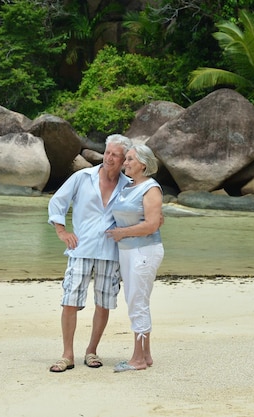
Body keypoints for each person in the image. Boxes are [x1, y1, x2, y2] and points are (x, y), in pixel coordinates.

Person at [47, 134, 132, 373]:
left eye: (115, 155)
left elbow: (140, 214)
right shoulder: (82, 177)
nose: (109, 158)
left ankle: (92, 350)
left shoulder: (129, 185)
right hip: (80, 248)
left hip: (110, 251)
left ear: (124, 159)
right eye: (107, 152)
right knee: (70, 301)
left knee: (103, 303)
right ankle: (67, 355)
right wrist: (61, 230)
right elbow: (57, 202)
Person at [105, 143, 165, 372]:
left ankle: (137, 359)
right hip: (128, 251)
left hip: (144, 251)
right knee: (136, 300)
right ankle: (146, 355)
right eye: (126, 159)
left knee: (137, 302)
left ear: (143, 164)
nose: (125, 162)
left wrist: (122, 233)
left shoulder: (151, 188)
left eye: (130, 159)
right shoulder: (129, 186)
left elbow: (151, 225)